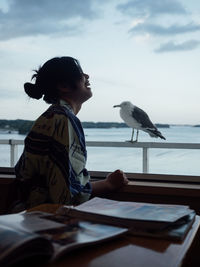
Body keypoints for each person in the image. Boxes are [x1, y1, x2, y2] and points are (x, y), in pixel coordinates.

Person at [14, 56, 128, 211]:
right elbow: (68, 194)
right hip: (46, 220)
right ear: (64, 86)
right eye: (80, 73)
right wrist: (109, 184)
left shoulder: (51, 116)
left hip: (29, 214)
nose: (87, 77)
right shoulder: (63, 120)